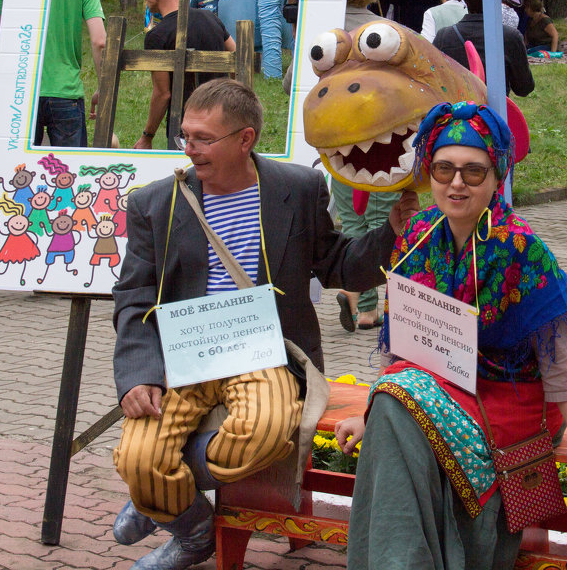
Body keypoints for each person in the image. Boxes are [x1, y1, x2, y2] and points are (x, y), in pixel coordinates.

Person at [109, 79, 419, 570]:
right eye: (185, 136)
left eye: (203, 139)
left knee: (264, 434)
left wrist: (390, 236)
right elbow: (134, 297)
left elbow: (336, 264)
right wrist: (139, 373)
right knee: (134, 459)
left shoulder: (295, 189)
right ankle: (192, 533)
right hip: (186, 356)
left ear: (245, 138)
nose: (190, 149)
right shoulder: (155, 203)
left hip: (265, 353)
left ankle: (161, 489)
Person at [335, 101, 567, 570]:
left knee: (400, 400)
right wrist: (371, 414)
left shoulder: (521, 248)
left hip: (508, 397)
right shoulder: (416, 233)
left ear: (498, 177)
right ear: (428, 172)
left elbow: (559, 359)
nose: (456, 183)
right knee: (396, 403)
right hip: (428, 387)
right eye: (443, 168)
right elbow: (403, 339)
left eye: (473, 172)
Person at [331, 0, 401, 332]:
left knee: (353, 221)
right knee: (387, 221)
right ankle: (395, 307)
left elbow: (293, 80)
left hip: (340, 142)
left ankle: (365, 307)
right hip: (387, 142)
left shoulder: (325, 33)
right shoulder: (391, 32)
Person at [0, 0, 106, 147]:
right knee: (67, 172)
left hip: (19, 91)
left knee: (17, 172)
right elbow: (100, 40)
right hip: (65, 90)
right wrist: (103, 87)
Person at [133, 0, 235, 151]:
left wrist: (147, 136)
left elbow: (163, 93)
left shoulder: (157, 35)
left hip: (185, 126)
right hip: (221, 117)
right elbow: (235, 55)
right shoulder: (211, 18)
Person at [433, 0, 535, 97]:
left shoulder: (444, 36)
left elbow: (434, 81)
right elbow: (524, 88)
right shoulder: (510, 36)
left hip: (457, 112)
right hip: (494, 113)